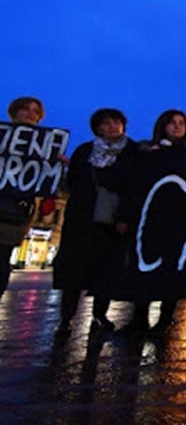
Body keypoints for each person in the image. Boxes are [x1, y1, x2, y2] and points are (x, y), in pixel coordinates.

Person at [53, 108, 137, 334]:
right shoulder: (85, 151)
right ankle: (66, 317)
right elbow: (73, 182)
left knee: (107, 270)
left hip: (114, 220)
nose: (112, 127)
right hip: (83, 218)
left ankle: (100, 314)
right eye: (106, 123)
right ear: (97, 127)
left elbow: (136, 187)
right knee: (74, 271)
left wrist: (126, 217)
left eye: (116, 122)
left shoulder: (133, 152)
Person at [120, 109, 186, 336]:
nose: (177, 126)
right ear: (162, 125)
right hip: (148, 218)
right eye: (172, 122)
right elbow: (132, 185)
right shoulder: (146, 152)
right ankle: (139, 318)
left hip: (180, 220)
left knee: (173, 270)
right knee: (142, 266)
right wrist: (124, 216)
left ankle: (165, 319)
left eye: (181, 122)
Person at [0, 97, 57, 298]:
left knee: (1, 260)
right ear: (14, 112)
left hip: (14, 214)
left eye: (35, 111)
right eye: (25, 109)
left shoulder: (44, 146)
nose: (30, 114)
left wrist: (55, 169)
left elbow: (46, 182)